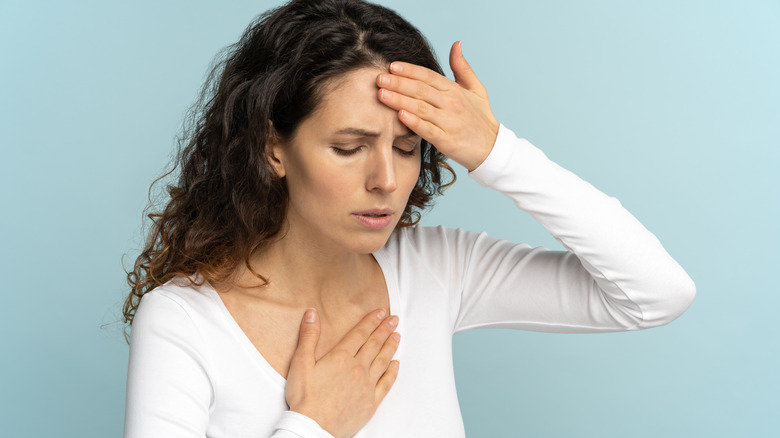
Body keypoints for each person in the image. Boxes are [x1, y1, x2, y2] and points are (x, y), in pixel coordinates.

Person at [122, 0, 696, 437]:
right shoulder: (184, 320)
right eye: (349, 147)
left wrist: (497, 153)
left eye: (405, 147)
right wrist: (314, 426)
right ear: (274, 149)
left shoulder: (437, 268)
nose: (387, 181)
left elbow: (655, 294)